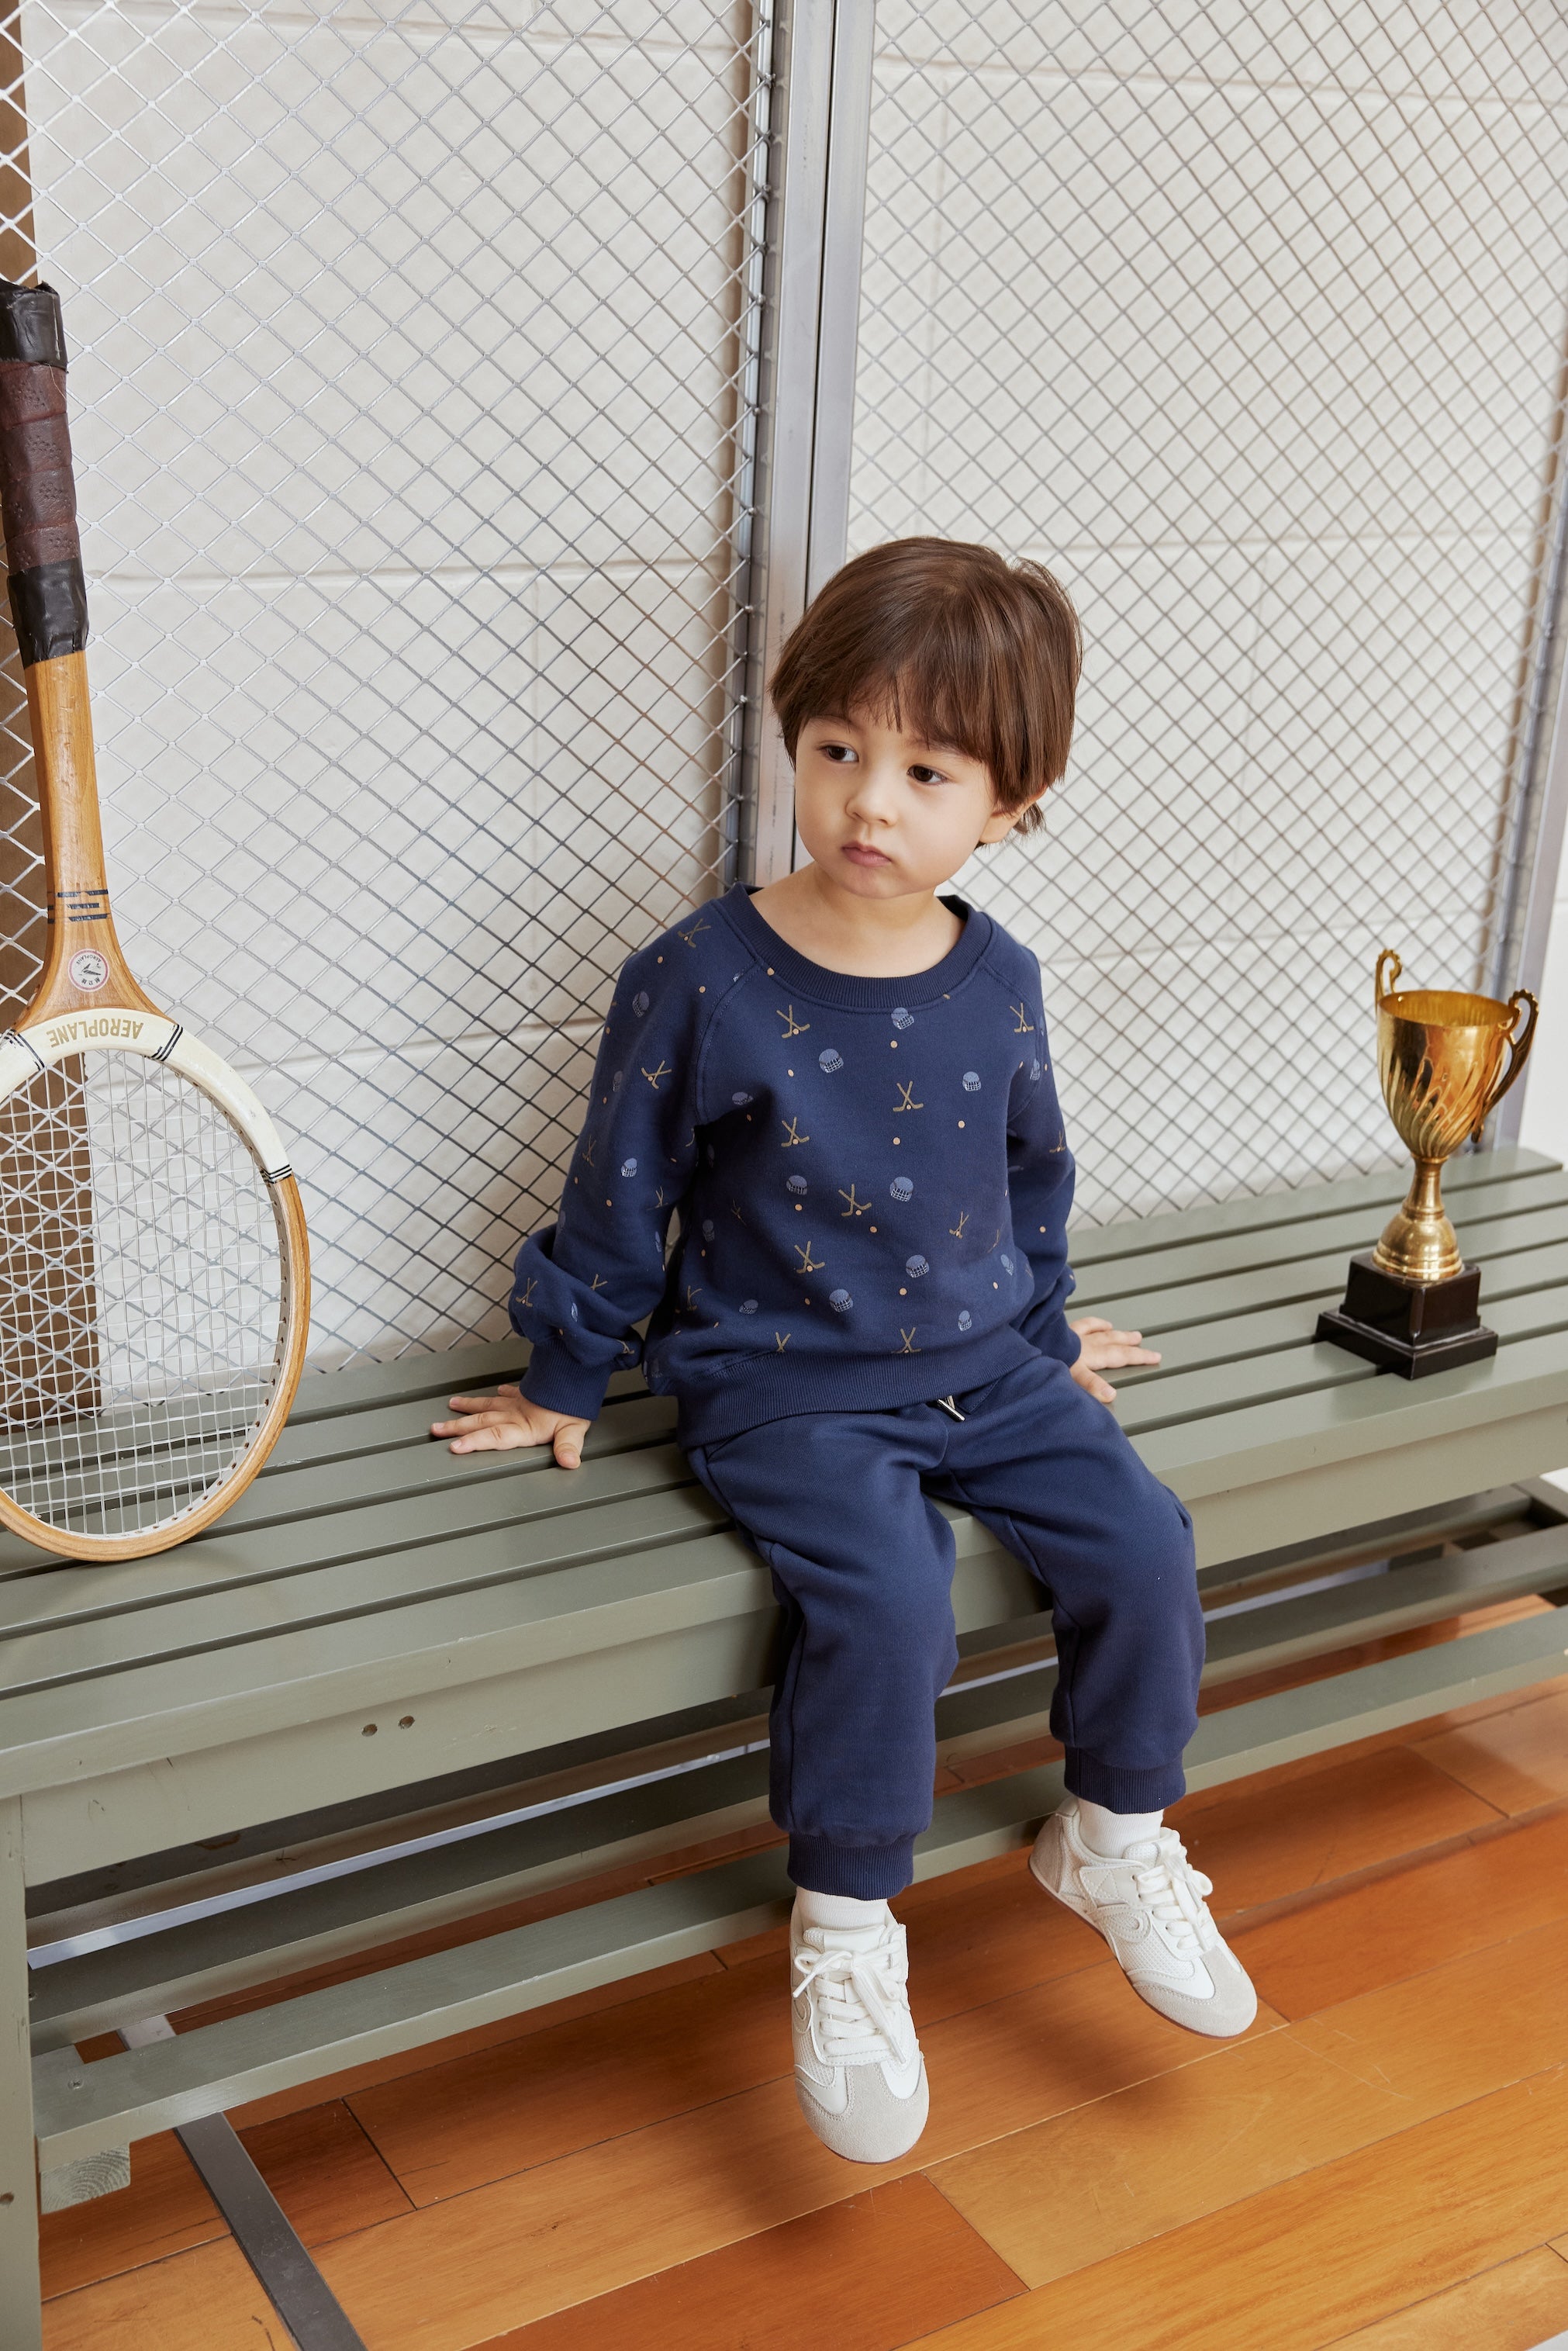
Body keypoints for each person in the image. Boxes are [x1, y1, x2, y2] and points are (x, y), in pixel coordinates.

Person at [434, 538, 1256, 2165]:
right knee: (885, 1602)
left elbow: (1027, 1175)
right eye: (835, 751)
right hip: (782, 1387)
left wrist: (1045, 1329)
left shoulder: (1001, 979)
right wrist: (564, 1374)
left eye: (926, 772)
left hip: (990, 1363)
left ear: (1011, 803)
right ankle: (847, 1928)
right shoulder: (697, 976)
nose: (869, 802)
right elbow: (618, 1191)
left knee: (1145, 1539)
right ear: (795, 742)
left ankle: (1112, 1834)